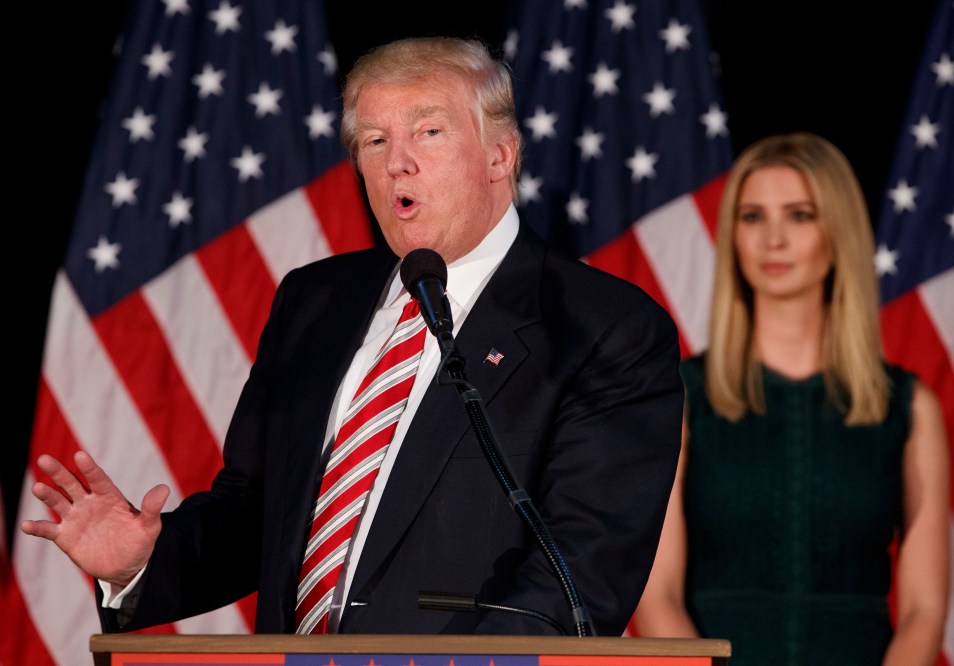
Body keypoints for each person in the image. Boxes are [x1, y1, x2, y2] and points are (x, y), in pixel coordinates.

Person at [21, 37, 683, 636]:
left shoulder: (603, 328)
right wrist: (144, 561)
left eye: (428, 132)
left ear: (499, 156)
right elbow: (259, 516)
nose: (398, 163)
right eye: (373, 141)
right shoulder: (315, 301)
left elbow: (581, 574)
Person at [632, 133, 949, 664]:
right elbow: (656, 597)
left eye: (800, 215)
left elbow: (924, 610)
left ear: (839, 231)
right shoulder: (681, 399)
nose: (772, 239)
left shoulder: (910, 409)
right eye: (753, 217)